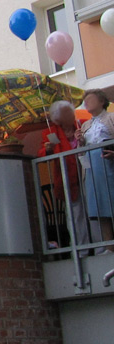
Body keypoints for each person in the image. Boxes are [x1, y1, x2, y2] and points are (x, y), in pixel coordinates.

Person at [38, 100, 95, 252]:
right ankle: (81, 250)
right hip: (67, 178)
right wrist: (48, 149)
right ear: (57, 118)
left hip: (87, 173)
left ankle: (100, 247)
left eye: (69, 111)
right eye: (64, 113)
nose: (69, 115)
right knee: (75, 215)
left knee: (93, 211)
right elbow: (43, 154)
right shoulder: (52, 132)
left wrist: (82, 139)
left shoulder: (82, 124)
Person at [76, 89, 114, 250]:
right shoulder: (85, 125)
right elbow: (81, 150)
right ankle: (109, 247)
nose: (87, 104)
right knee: (100, 209)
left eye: (90, 100)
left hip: (109, 165)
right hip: (92, 168)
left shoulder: (111, 118)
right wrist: (81, 141)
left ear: (101, 101)